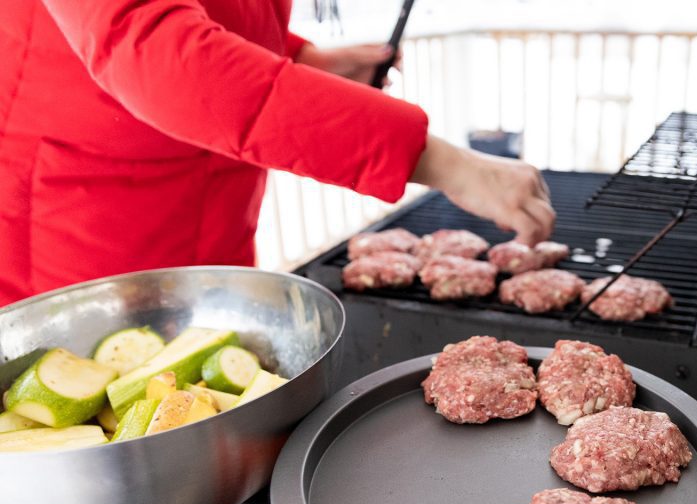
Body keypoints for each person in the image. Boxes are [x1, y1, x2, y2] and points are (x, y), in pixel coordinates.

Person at [0, 0, 555, 307]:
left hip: (206, 234)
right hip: (75, 242)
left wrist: (302, 62)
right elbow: (157, 54)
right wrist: (444, 162)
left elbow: (205, 15)